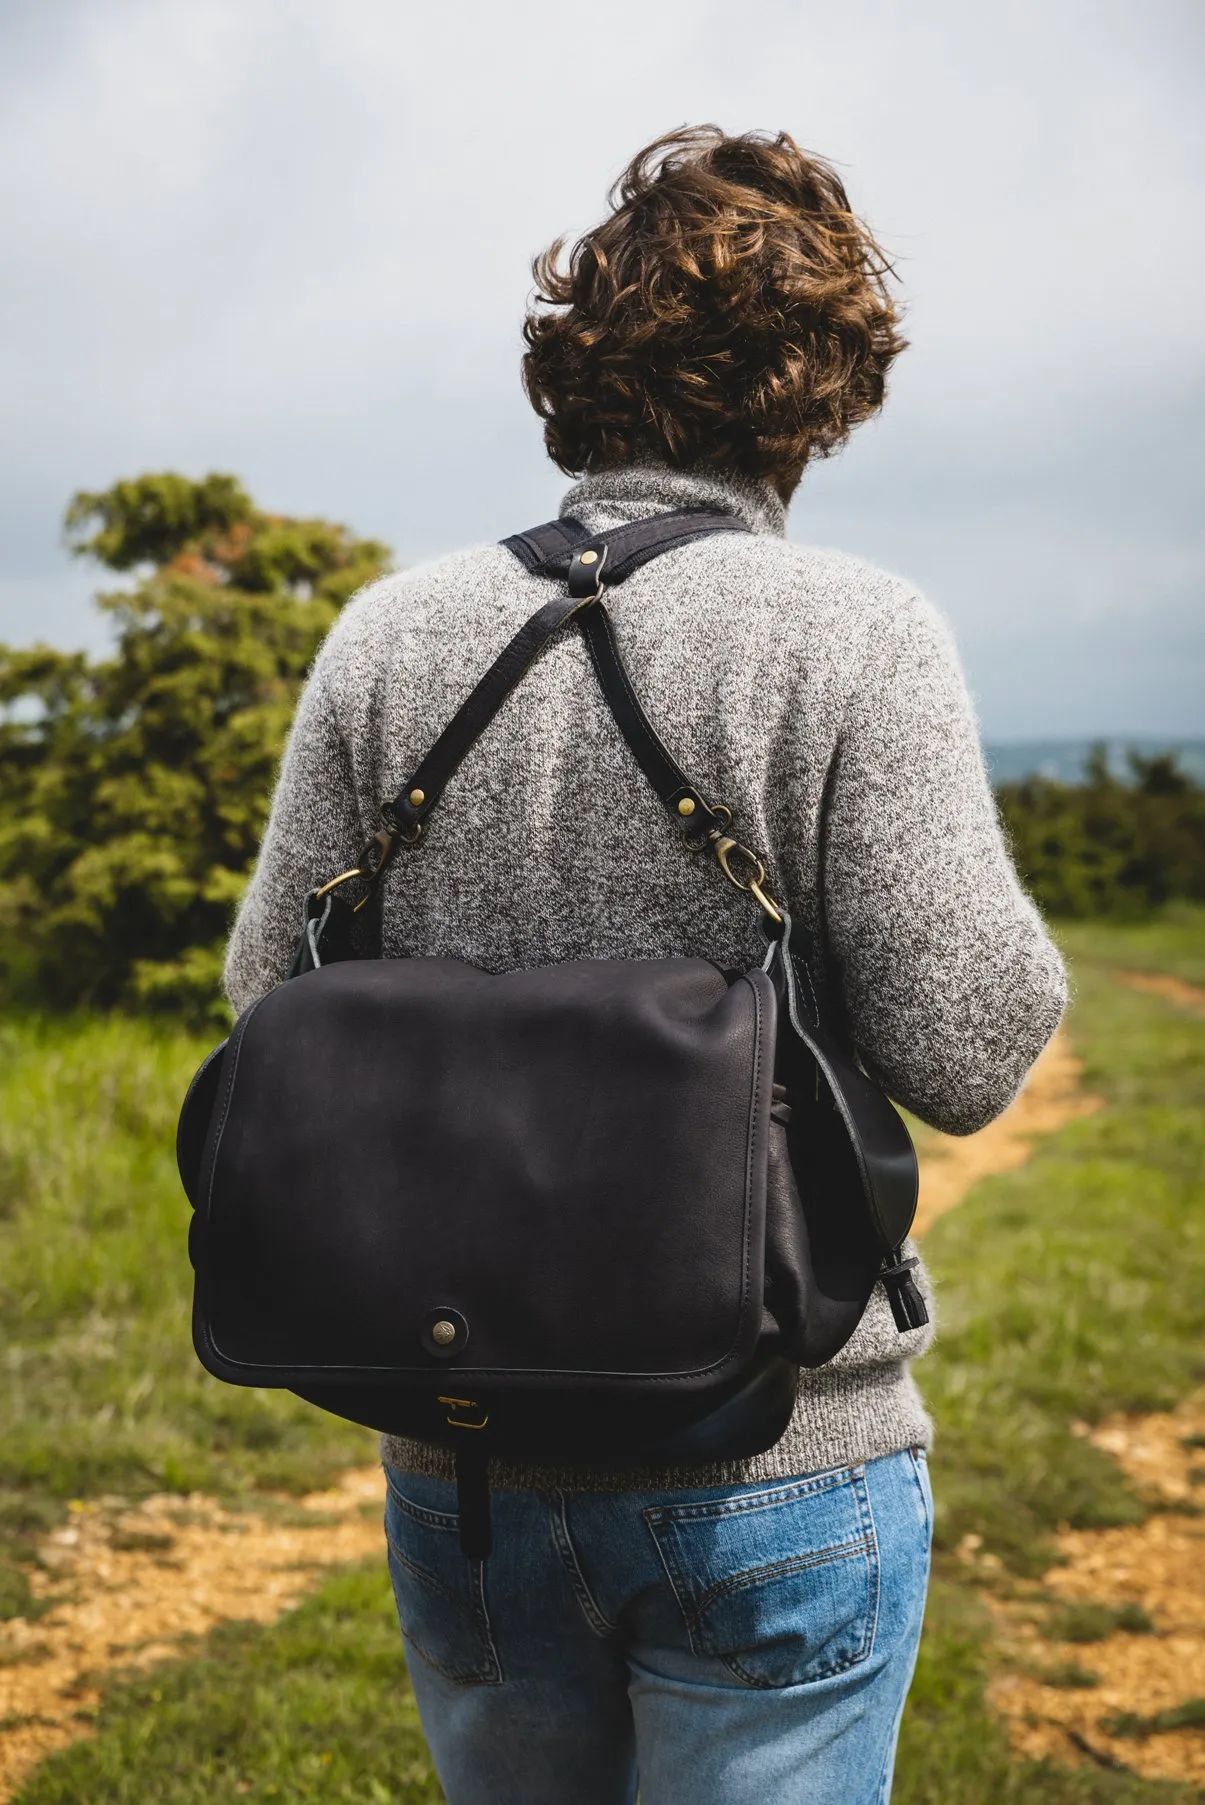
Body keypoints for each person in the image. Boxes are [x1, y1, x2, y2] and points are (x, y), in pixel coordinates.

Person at [225, 126, 1066, 1805]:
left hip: (457, 1461)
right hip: (779, 1465)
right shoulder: (854, 632)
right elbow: (971, 1047)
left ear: (579, 368)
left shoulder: (389, 633)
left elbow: (271, 997)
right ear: (823, 389)